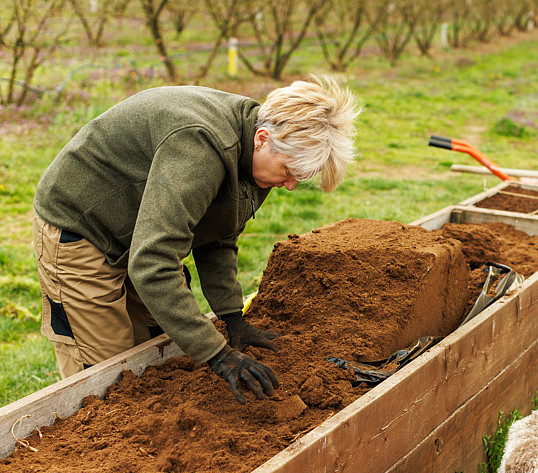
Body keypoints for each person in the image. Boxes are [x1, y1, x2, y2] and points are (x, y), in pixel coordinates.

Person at [32, 75, 360, 404]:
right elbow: (152, 263)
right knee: (108, 375)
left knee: (153, 350)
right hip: (82, 228)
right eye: (289, 171)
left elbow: (217, 234)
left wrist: (232, 315)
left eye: (299, 178)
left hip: (141, 229)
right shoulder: (201, 148)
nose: (289, 185)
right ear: (262, 138)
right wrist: (217, 354)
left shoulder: (252, 158)